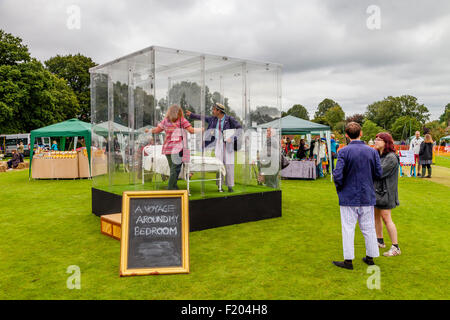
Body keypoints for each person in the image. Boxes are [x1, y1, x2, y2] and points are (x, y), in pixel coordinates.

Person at [332, 122, 382, 270]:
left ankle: (348, 261)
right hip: (366, 194)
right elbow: (378, 173)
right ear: (361, 133)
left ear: (346, 135)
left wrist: (340, 188)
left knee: (348, 228)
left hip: (349, 195)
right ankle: (370, 257)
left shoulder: (344, 151)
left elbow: (338, 175)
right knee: (369, 228)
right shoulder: (372, 152)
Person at [186, 102, 242, 192]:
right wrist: (191, 115)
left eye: (214, 109)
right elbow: (202, 117)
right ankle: (220, 186)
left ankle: (230, 186)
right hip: (216, 143)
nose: (212, 111)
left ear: (219, 111)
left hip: (228, 145)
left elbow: (239, 129)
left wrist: (232, 138)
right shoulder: (213, 119)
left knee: (229, 165)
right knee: (218, 164)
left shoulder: (230, 119)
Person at [149, 104, 202, 190]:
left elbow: (157, 130)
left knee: (173, 169)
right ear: (180, 112)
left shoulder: (166, 121)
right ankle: (171, 188)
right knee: (175, 170)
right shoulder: (182, 120)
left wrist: (149, 130)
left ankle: (174, 186)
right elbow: (191, 131)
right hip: (177, 149)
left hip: (167, 149)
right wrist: (201, 129)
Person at [373, 132, 401, 257]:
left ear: (386, 142)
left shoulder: (391, 157)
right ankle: (380, 241)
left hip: (387, 192)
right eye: (375, 139)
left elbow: (379, 173)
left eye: (379, 139)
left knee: (386, 217)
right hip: (377, 191)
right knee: (376, 216)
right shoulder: (378, 155)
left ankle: (395, 247)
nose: (376, 141)